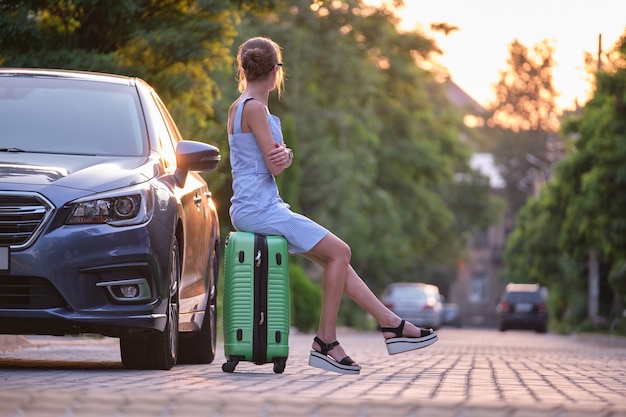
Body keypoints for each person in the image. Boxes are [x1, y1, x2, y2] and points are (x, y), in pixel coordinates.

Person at [227, 36, 438, 375]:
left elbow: (268, 159)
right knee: (341, 251)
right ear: (276, 71)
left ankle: (391, 324)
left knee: (334, 259)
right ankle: (325, 342)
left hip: (254, 205)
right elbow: (276, 164)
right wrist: (288, 155)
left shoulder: (239, 106)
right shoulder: (255, 108)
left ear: (244, 68)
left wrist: (283, 155)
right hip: (260, 208)